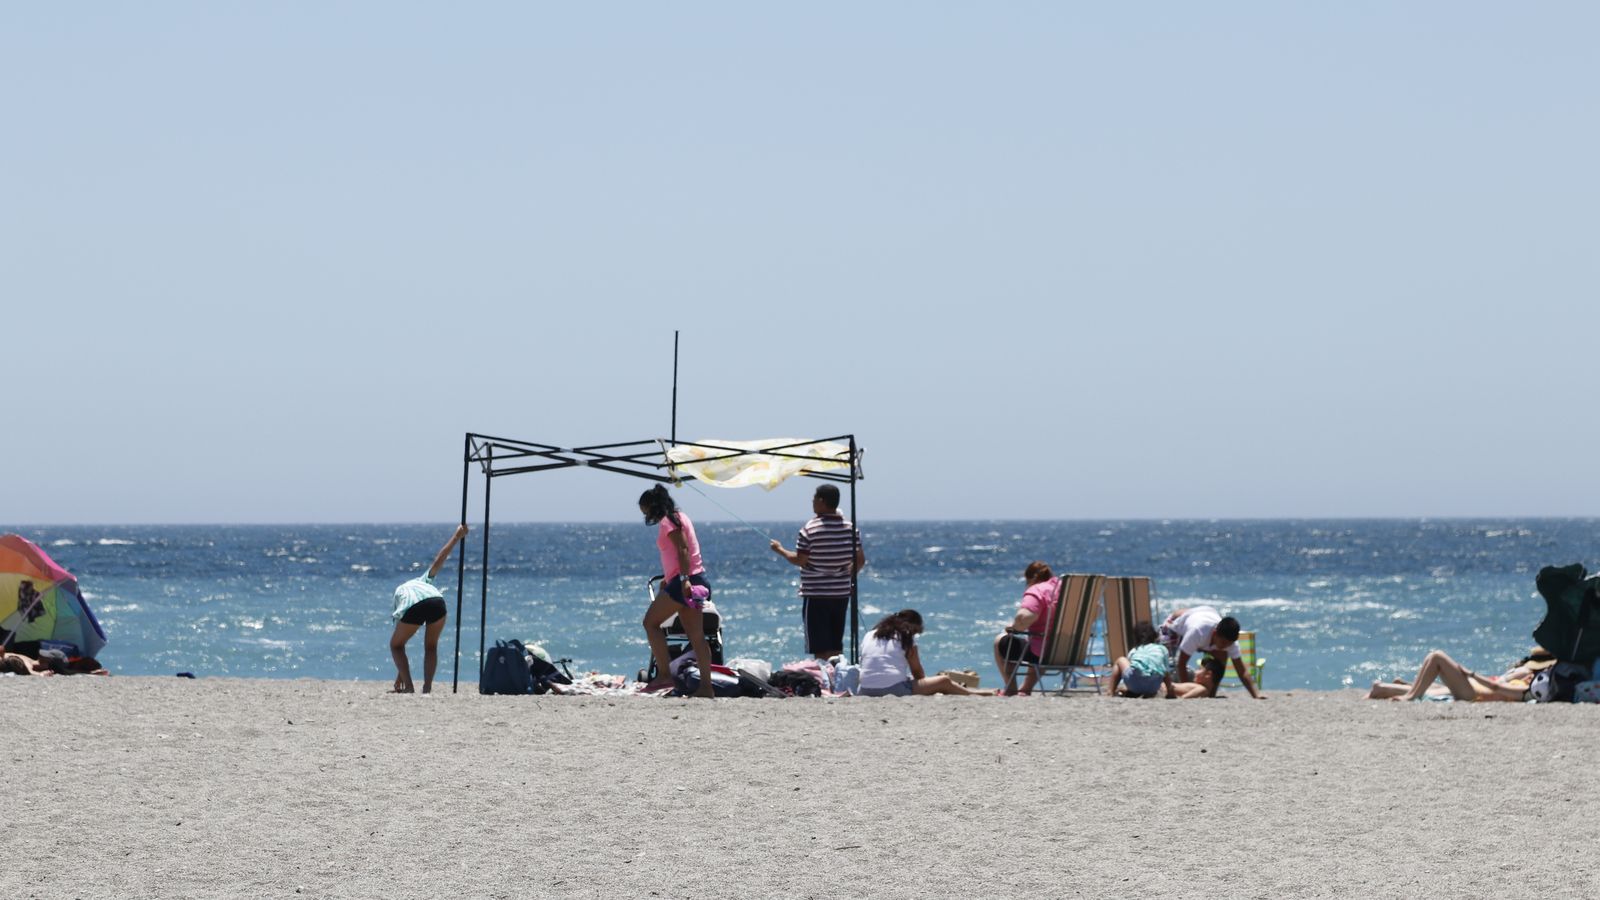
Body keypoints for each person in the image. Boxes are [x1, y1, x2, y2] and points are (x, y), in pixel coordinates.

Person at [770, 484, 866, 660]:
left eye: (814, 499)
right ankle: (837, 679)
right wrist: (847, 577)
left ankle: (823, 683)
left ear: (821, 501)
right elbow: (860, 560)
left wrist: (780, 550)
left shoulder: (810, 529)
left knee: (820, 647)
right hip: (840, 594)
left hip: (816, 594)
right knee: (836, 645)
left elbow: (800, 560)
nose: (812, 502)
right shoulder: (851, 529)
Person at [639, 485, 715, 698]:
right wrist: (668, 578)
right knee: (697, 636)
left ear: (652, 507)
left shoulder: (668, 521)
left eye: (645, 510)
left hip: (685, 582)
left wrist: (682, 580)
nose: (645, 515)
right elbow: (677, 554)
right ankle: (706, 688)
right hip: (697, 578)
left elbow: (682, 549)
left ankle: (664, 675)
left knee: (650, 623)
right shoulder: (681, 516)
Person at [389, 524, 468, 694]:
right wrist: (456, 536)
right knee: (431, 647)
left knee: (396, 646)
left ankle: (409, 687)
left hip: (413, 605)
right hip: (437, 602)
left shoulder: (400, 592)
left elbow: (400, 643)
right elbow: (440, 559)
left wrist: (402, 675)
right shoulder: (424, 581)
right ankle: (427, 688)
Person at [856, 609, 979, 697]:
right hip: (892, 690)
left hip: (864, 689)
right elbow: (918, 673)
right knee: (944, 681)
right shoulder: (906, 634)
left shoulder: (870, 634)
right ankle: (975, 694)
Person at [1365, 647, 1554, 702]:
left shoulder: (1524, 690)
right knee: (1435, 658)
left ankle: (1410, 694)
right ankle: (1400, 688)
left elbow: (1496, 687)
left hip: (1475, 695)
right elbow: (1495, 683)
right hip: (1475, 689)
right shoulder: (1524, 678)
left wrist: (1471, 674)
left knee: (1437, 657)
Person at [1160, 606, 1265, 699]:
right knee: (1168, 666)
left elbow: (1242, 671)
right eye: (1223, 642)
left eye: (1228, 644)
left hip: (1203, 617)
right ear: (1215, 633)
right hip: (1175, 626)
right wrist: (1187, 688)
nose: (1225, 646)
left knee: (1223, 655)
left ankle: (1211, 692)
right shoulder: (1197, 632)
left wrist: (1256, 694)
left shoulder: (1230, 643)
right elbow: (1181, 663)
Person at [992, 561, 1059, 696]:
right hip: (1069, 651)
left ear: (1032, 578)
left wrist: (1014, 628)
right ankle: (1026, 688)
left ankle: (1011, 688)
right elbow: (1096, 611)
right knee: (1037, 642)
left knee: (1000, 641)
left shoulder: (1037, 590)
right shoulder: (1066, 589)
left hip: (1044, 653)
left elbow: (1024, 618)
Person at [1106, 622, 1202, 699]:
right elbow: (1166, 672)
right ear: (1154, 636)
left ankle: (1110, 691)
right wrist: (1170, 692)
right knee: (1158, 668)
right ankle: (1146, 692)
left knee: (1121, 660)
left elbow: (1133, 669)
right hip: (1153, 686)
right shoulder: (1162, 649)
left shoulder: (1135, 650)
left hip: (1134, 684)